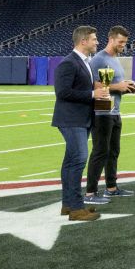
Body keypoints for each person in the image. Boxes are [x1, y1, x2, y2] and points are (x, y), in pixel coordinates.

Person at [51, 25, 107, 222]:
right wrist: (93, 94)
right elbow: (63, 92)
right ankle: (76, 208)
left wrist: (97, 91)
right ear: (83, 41)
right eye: (94, 39)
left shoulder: (84, 62)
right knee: (78, 160)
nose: (97, 42)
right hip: (71, 119)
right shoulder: (69, 63)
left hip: (80, 119)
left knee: (70, 162)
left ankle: (68, 204)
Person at [85, 25, 135, 204]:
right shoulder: (100, 60)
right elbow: (95, 86)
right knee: (100, 151)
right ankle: (90, 193)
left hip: (114, 111)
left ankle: (111, 188)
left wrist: (127, 87)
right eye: (120, 42)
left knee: (113, 151)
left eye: (125, 42)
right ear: (111, 39)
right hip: (102, 112)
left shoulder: (114, 59)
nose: (123, 45)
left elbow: (108, 85)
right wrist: (119, 86)